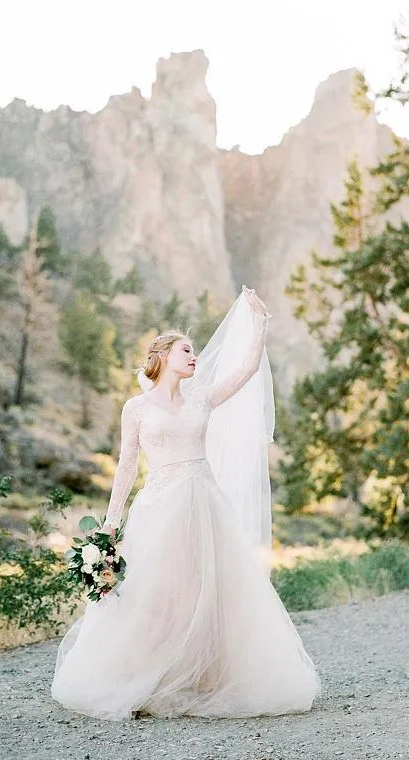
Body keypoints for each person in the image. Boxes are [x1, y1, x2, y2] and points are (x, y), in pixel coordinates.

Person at [51, 285, 322, 721]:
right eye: (185, 350)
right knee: (158, 595)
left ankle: (205, 678)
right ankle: (150, 678)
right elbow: (125, 467)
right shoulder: (135, 408)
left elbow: (247, 370)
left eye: (195, 351)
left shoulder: (203, 397)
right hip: (159, 507)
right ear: (161, 359)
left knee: (209, 591)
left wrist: (260, 324)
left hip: (203, 503)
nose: (194, 356)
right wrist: (110, 524)